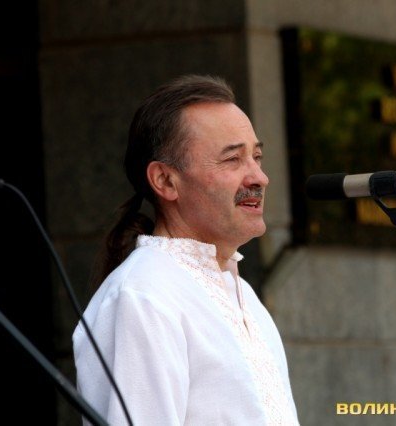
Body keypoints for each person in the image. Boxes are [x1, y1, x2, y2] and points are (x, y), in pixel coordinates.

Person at [73, 75, 299, 425]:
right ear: (165, 180)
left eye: (256, 156)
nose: (259, 177)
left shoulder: (242, 295)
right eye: (232, 159)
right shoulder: (143, 297)